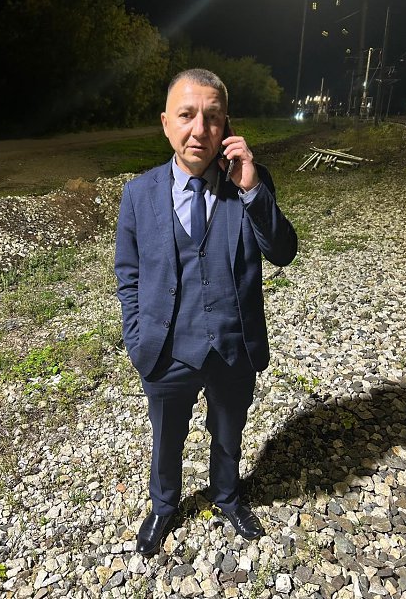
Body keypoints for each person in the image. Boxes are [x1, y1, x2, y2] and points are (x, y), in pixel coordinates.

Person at [114, 68, 297, 556]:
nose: (200, 129)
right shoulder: (138, 195)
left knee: (228, 430)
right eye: (187, 115)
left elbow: (282, 252)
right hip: (166, 348)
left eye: (212, 118)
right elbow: (128, 275)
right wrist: (137, 336)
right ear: (166, 123)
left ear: (227, 125)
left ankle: (226, 495)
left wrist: (252, 187)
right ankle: (164, 505)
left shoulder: (249, 183)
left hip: (233, 344)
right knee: (167, 436)